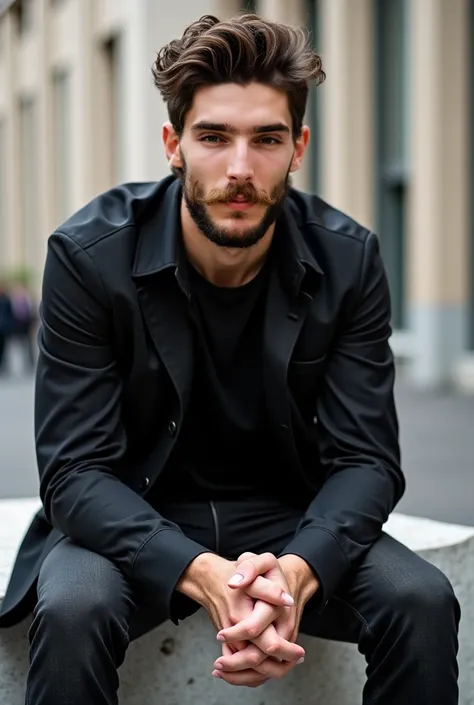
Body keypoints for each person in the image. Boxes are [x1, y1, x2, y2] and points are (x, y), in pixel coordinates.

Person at [0, 13, 459, 705]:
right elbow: (74, 471)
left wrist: (300, 569)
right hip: (132, 513)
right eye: (213, 137)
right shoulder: (89, 257)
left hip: (289, 515)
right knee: (72, 610)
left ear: (298, 146)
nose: (240, 168)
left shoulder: (349, 257)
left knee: (422, 600)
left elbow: (367, 459)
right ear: (173, 144)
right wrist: (202, 571)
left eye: (266, 139)